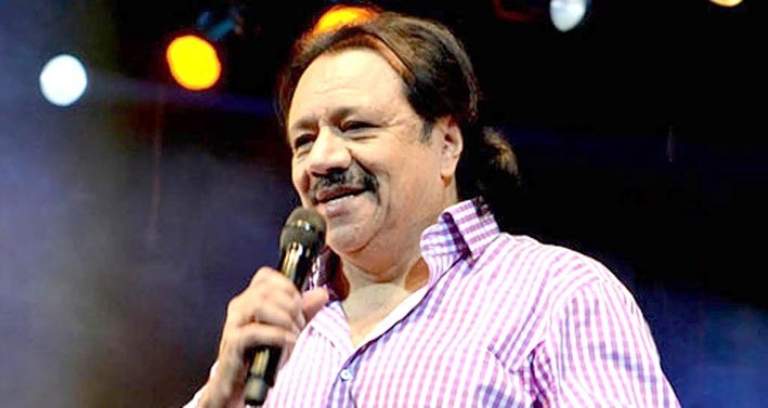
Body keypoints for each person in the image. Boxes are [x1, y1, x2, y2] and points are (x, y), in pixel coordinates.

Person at [187, 6, 680, 407]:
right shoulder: (275, 338)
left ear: (447, 144)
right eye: (304, 140)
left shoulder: (558, 296)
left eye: (356, 127)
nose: (321, 159)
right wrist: (218, 400)